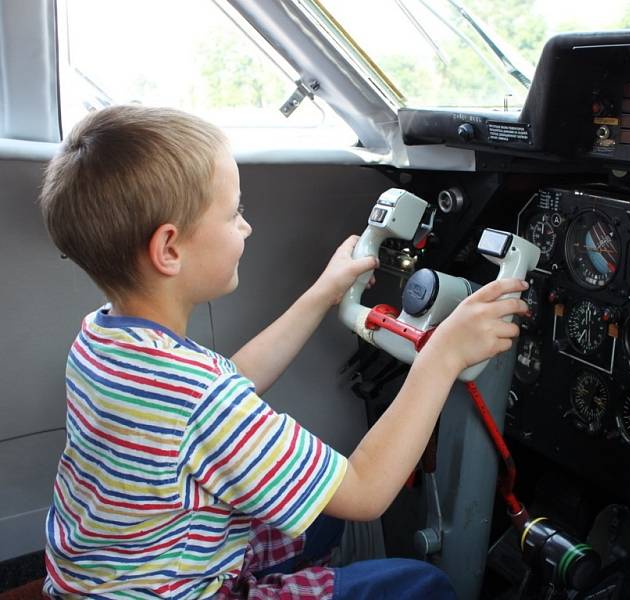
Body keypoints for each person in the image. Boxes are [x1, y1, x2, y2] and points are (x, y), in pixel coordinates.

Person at [39, 105, 528, 599]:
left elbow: (230, 379)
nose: (246, 227)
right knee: (422, 584)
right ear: (169, 249)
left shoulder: (101, 339)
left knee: (317, 523)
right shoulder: (201, 401)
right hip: (178, 587)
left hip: (110, 574)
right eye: (235, 213)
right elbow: (363, 491)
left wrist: (323, 293)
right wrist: (442, 356)